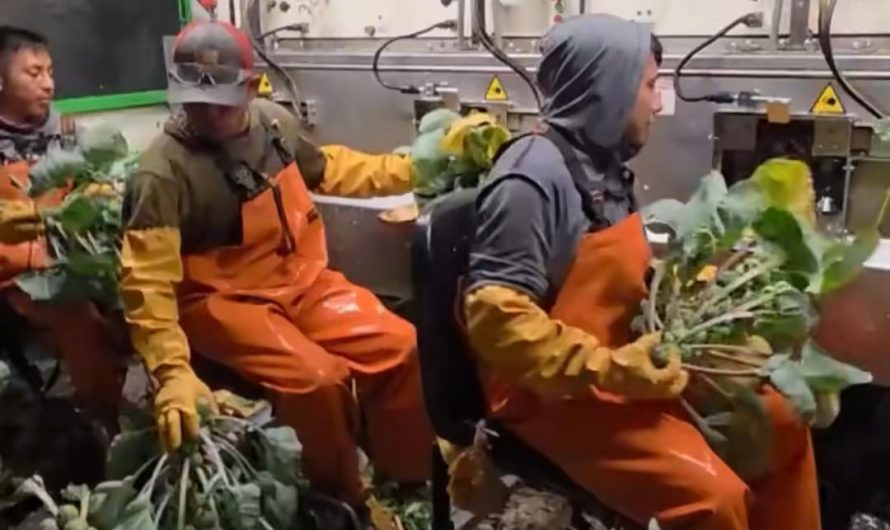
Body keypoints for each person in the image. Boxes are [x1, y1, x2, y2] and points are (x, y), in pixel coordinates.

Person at [458, 14, 820, 530]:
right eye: (649, 86)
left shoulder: (599, 164)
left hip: (624, 362)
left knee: (782, 423)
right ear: (606, 89)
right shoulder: (530, 179)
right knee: (710, 500)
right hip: (552, 392)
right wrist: (610, 369)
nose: (657, 103)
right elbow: (497, 320)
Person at [120, 19, 432, 513]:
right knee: (317, 380)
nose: (206, 112)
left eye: (221, 99)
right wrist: (171, 371)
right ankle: (341, 499)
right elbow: (147, 283)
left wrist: (410, 169)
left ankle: (410, 476)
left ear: (252, 83)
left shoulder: (272, 123)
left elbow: (328, 170)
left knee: (399, 344)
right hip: (222, 302)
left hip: (299, 280)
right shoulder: (162, 173)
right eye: (193, 99)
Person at [0, 25, 127, 427]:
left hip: (77, 261)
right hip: (17, 274)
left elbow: (99, 192)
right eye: (33, 74)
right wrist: (39, 257)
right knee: (78, 318)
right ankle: (98, 424)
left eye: (50, 72)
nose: (48, 84)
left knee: (141, 296)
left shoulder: (69, 133)